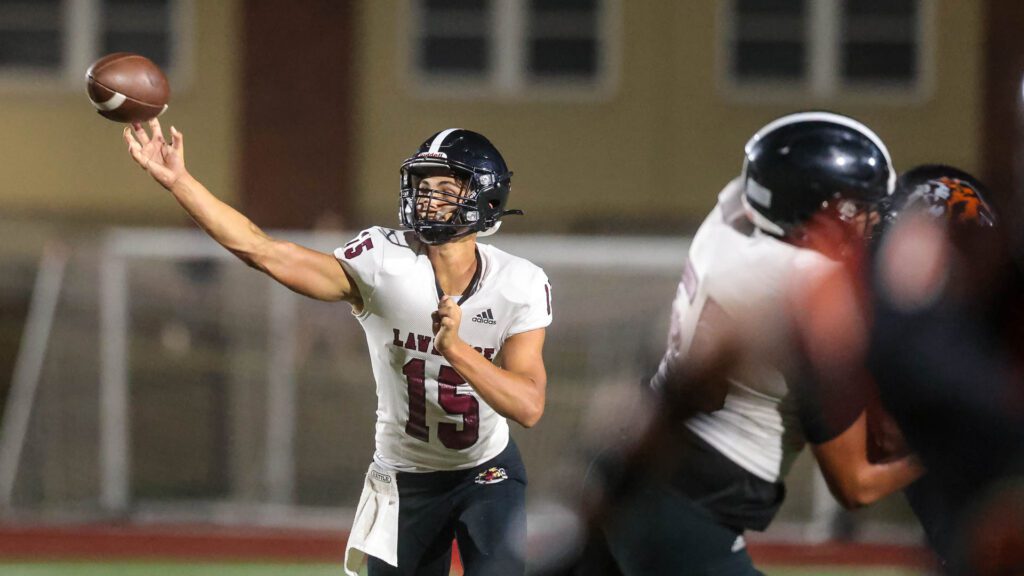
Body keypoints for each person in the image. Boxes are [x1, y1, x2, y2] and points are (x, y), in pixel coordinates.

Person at [122, 120, 553, 576]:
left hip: (486, 472)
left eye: (445, 188)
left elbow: (529, 406)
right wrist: (180, 182)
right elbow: (263, 250)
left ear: (485, 199)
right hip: (405, 477)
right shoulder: (383, 262)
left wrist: (458, 351)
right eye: (422, 185)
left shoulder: (518, 283)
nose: (427, 198)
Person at [583, 112, 924, 576]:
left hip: (633, 468)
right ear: (810, 217)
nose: (869, 221)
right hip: (685, 512)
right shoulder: (799, 286)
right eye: (856, 209)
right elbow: (857, 484)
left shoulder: (731, 215)